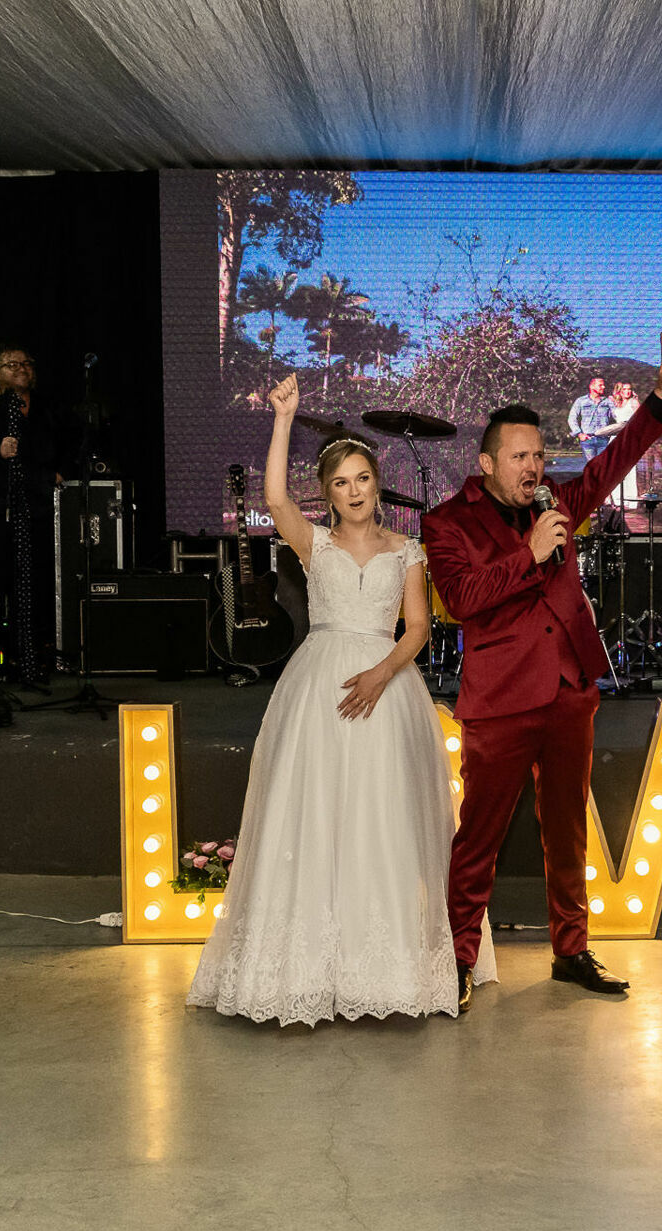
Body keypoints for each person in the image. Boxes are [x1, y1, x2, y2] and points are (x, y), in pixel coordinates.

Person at [188, 374, 495, 1027]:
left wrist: (383, 673)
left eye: (362, 478)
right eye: (340, 483)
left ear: (375, 483)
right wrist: (283, 420)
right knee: (315, 816)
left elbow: (418, 628)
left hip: (386, 693)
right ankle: (307, 965)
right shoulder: (315, 544)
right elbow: (273, 497)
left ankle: (386, 966)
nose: (354, 491)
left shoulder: (406, 550)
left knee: (383, 820)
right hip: (319, 691)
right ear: (327, 495)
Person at [424, 330, 662, 1013]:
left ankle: (571, 951)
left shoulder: (559, 503)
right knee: (478, 839)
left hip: (570, 693)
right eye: (519, 456)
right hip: (500, 703)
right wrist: (531, 554)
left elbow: (616, 460)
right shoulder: (448, 522)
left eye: (540, 454)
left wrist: (658, 399)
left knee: (567, 831)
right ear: (486, 461)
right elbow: (461, 600)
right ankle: (456, 960)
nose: (534, 466)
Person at [0, 344, 66, 686]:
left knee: (37, 583)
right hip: (1, 506)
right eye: (12, 364)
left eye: (26, 363)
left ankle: (34, 656)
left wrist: (53, 472)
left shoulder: (44, 409)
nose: (21, 369)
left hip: (37, 508)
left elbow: (55, 447)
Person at [609, 380, 642, 504]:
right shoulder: (617, 403)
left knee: (629, 470)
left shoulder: (633, 402)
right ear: (620, 391)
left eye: (629, 389)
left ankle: (631, 501)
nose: (627, 391)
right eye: (624, 389)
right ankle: (618, 500)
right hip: (616, 438)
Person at [568, 375, 615, 462]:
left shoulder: (608, 401)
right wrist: (579, 434)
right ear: (592, 386)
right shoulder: (580, 401)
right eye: (600, 385)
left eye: (603, 385)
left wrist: (618, 402)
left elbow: (618, 416)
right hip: (587, 440)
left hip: (604, 440)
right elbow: (572, 418)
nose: (603, 387)